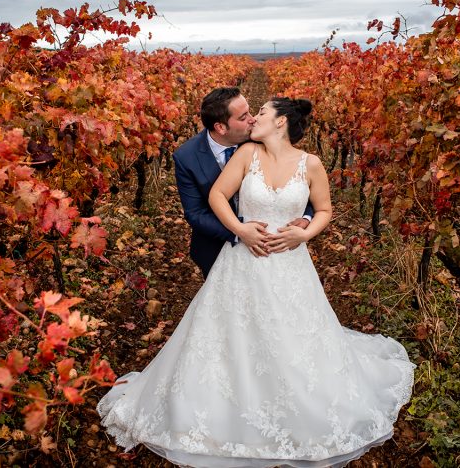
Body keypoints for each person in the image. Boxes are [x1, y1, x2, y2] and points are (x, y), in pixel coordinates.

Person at [98, 96, 415, 467]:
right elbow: (217, 195)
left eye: (261, 112)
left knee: (294, 334)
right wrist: (240, 231)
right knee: (228, 333)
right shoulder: (247, 153)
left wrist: (305, 233)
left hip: (290, 263)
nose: (253, 119)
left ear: (280, 122)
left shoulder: (311, 164)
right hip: (243, 260)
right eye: (249, 113)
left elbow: (325, 209)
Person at [171, 86, 313, 277]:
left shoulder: (263, 138)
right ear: (220, 127)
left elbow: (299, 181)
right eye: (243, 117)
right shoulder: (186, 157)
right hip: (217, 246)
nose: (253, 119)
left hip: (276, 245)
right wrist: (240, 231)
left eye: (250, 111)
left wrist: (306, 218)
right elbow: (196, 213)